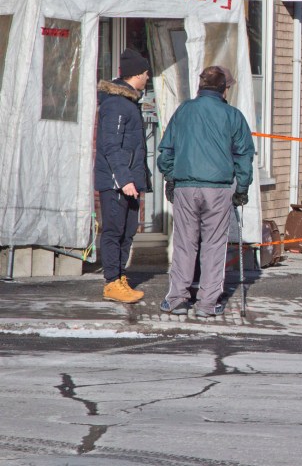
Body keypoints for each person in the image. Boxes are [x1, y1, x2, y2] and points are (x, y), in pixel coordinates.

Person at [157, 66, 254, 317]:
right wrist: (242, 188)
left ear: (201, 87)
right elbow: (244, 155)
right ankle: (207, 304)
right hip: (218, 189)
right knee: (213, 245)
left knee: (184, 243)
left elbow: (166, 149)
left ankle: (177, 298)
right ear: (223, 89)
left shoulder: (184, 111)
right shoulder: (232, 115)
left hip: (186, 187)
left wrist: (170, 177)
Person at [95, 48, 152, 304]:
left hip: (128, 181)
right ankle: (111, 282)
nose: (148, 77)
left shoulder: (128, 102)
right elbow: (110, 145)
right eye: (146, 73)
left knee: (127, 232)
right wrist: (125, 178)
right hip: (117, 182)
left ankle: (119, 278)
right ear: (137, 75)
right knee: (114, 231)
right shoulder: (116, 104)